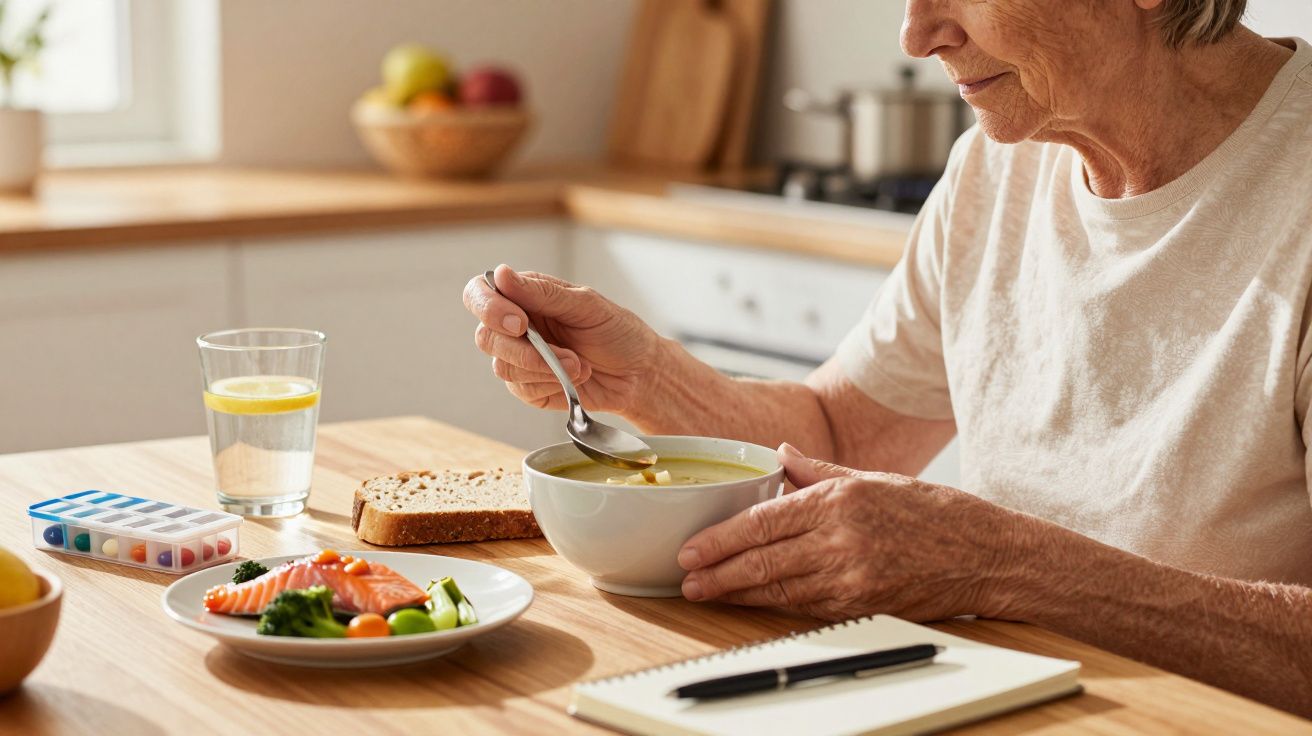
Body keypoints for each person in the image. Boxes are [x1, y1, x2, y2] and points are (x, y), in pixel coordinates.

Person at [465, 0, 1312, 716]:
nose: (917, 35)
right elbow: (843, 430)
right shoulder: (997, 164)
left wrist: (1001, 565)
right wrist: (645, 376)